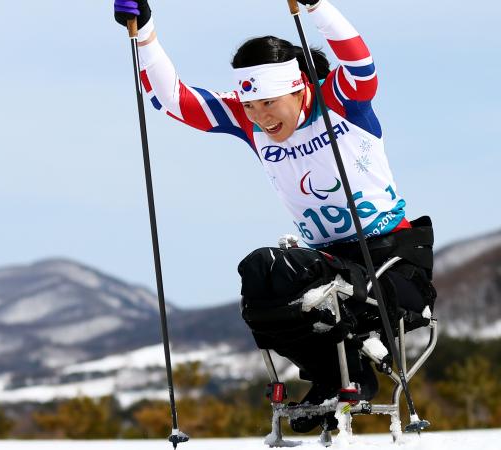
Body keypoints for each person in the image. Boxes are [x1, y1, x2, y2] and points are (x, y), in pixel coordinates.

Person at [113, 0, 436, 433]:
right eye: (250, 106)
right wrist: (146, 32)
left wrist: (317, 6)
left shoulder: (338, 100)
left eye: (269, 102)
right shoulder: (249, 123)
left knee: (282, 268)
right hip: (329, 263)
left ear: (299, 87)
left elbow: (360, 64)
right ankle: (337, 377)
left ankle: (347, 372)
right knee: (259, 277)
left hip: (392, 264)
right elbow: (171, 99)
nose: (261, 117)